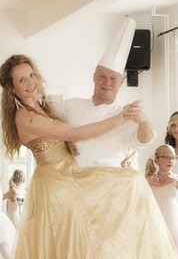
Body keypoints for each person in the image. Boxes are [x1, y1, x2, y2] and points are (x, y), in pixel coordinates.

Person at [0, 54, 178, 259]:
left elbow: (132, 138)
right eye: (21, 80)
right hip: (57, 187)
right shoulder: (25, 117)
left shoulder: (46, 107)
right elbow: (76, 134)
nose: (29, 83)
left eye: (31, 76)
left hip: (71, 179)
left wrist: (130, 142)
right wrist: (121, 118)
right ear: (11, 88)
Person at [58, 18, 156, 168]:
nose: (107, 82)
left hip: (107, 182)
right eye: (102, 76)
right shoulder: (71, 106)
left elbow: (145, 140)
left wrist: (144, 121)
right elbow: (45, 113)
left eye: (113, 79)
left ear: (120, 83)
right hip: (73, 181)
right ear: (94, 77)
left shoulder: (125, 115)